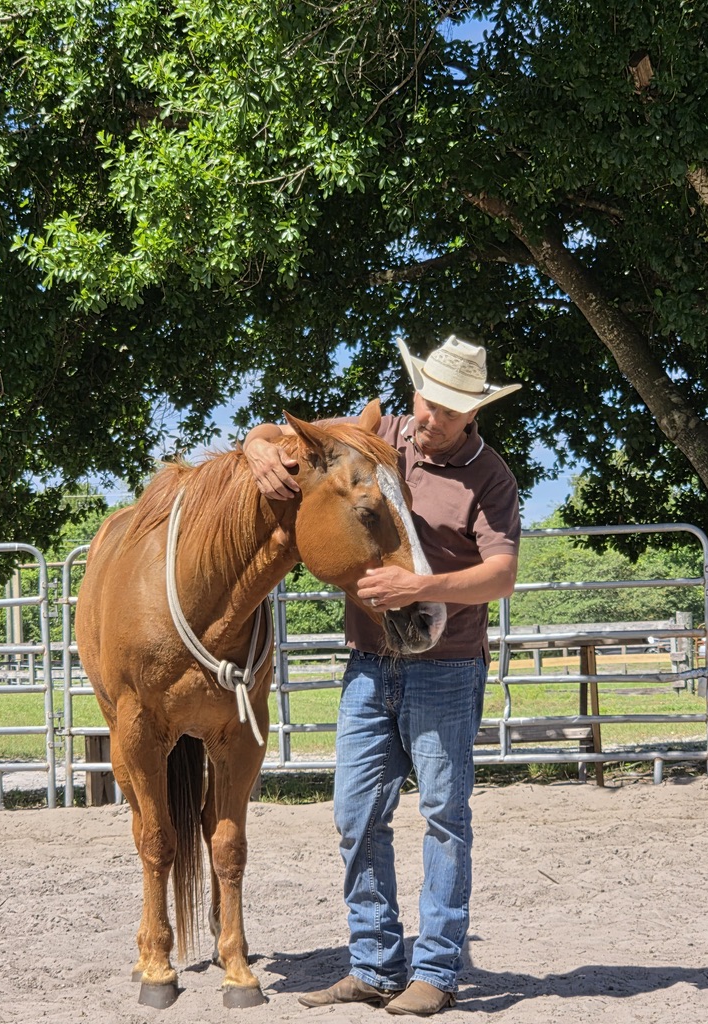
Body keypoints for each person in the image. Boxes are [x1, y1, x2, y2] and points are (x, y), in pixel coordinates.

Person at [242, 335, 521, 1016]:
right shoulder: (381, 437)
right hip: (369, 663)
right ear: (415, 392)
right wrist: (255, 444)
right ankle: (373, 965)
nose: (432, 419)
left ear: (474, 413)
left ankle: (436, 972)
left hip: (446, 667)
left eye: (450, 411)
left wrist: (420, 585)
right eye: (428, 402)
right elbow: (283, 436)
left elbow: (501, 574)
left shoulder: (490, 478)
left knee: (444, 817)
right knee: (355, 817)